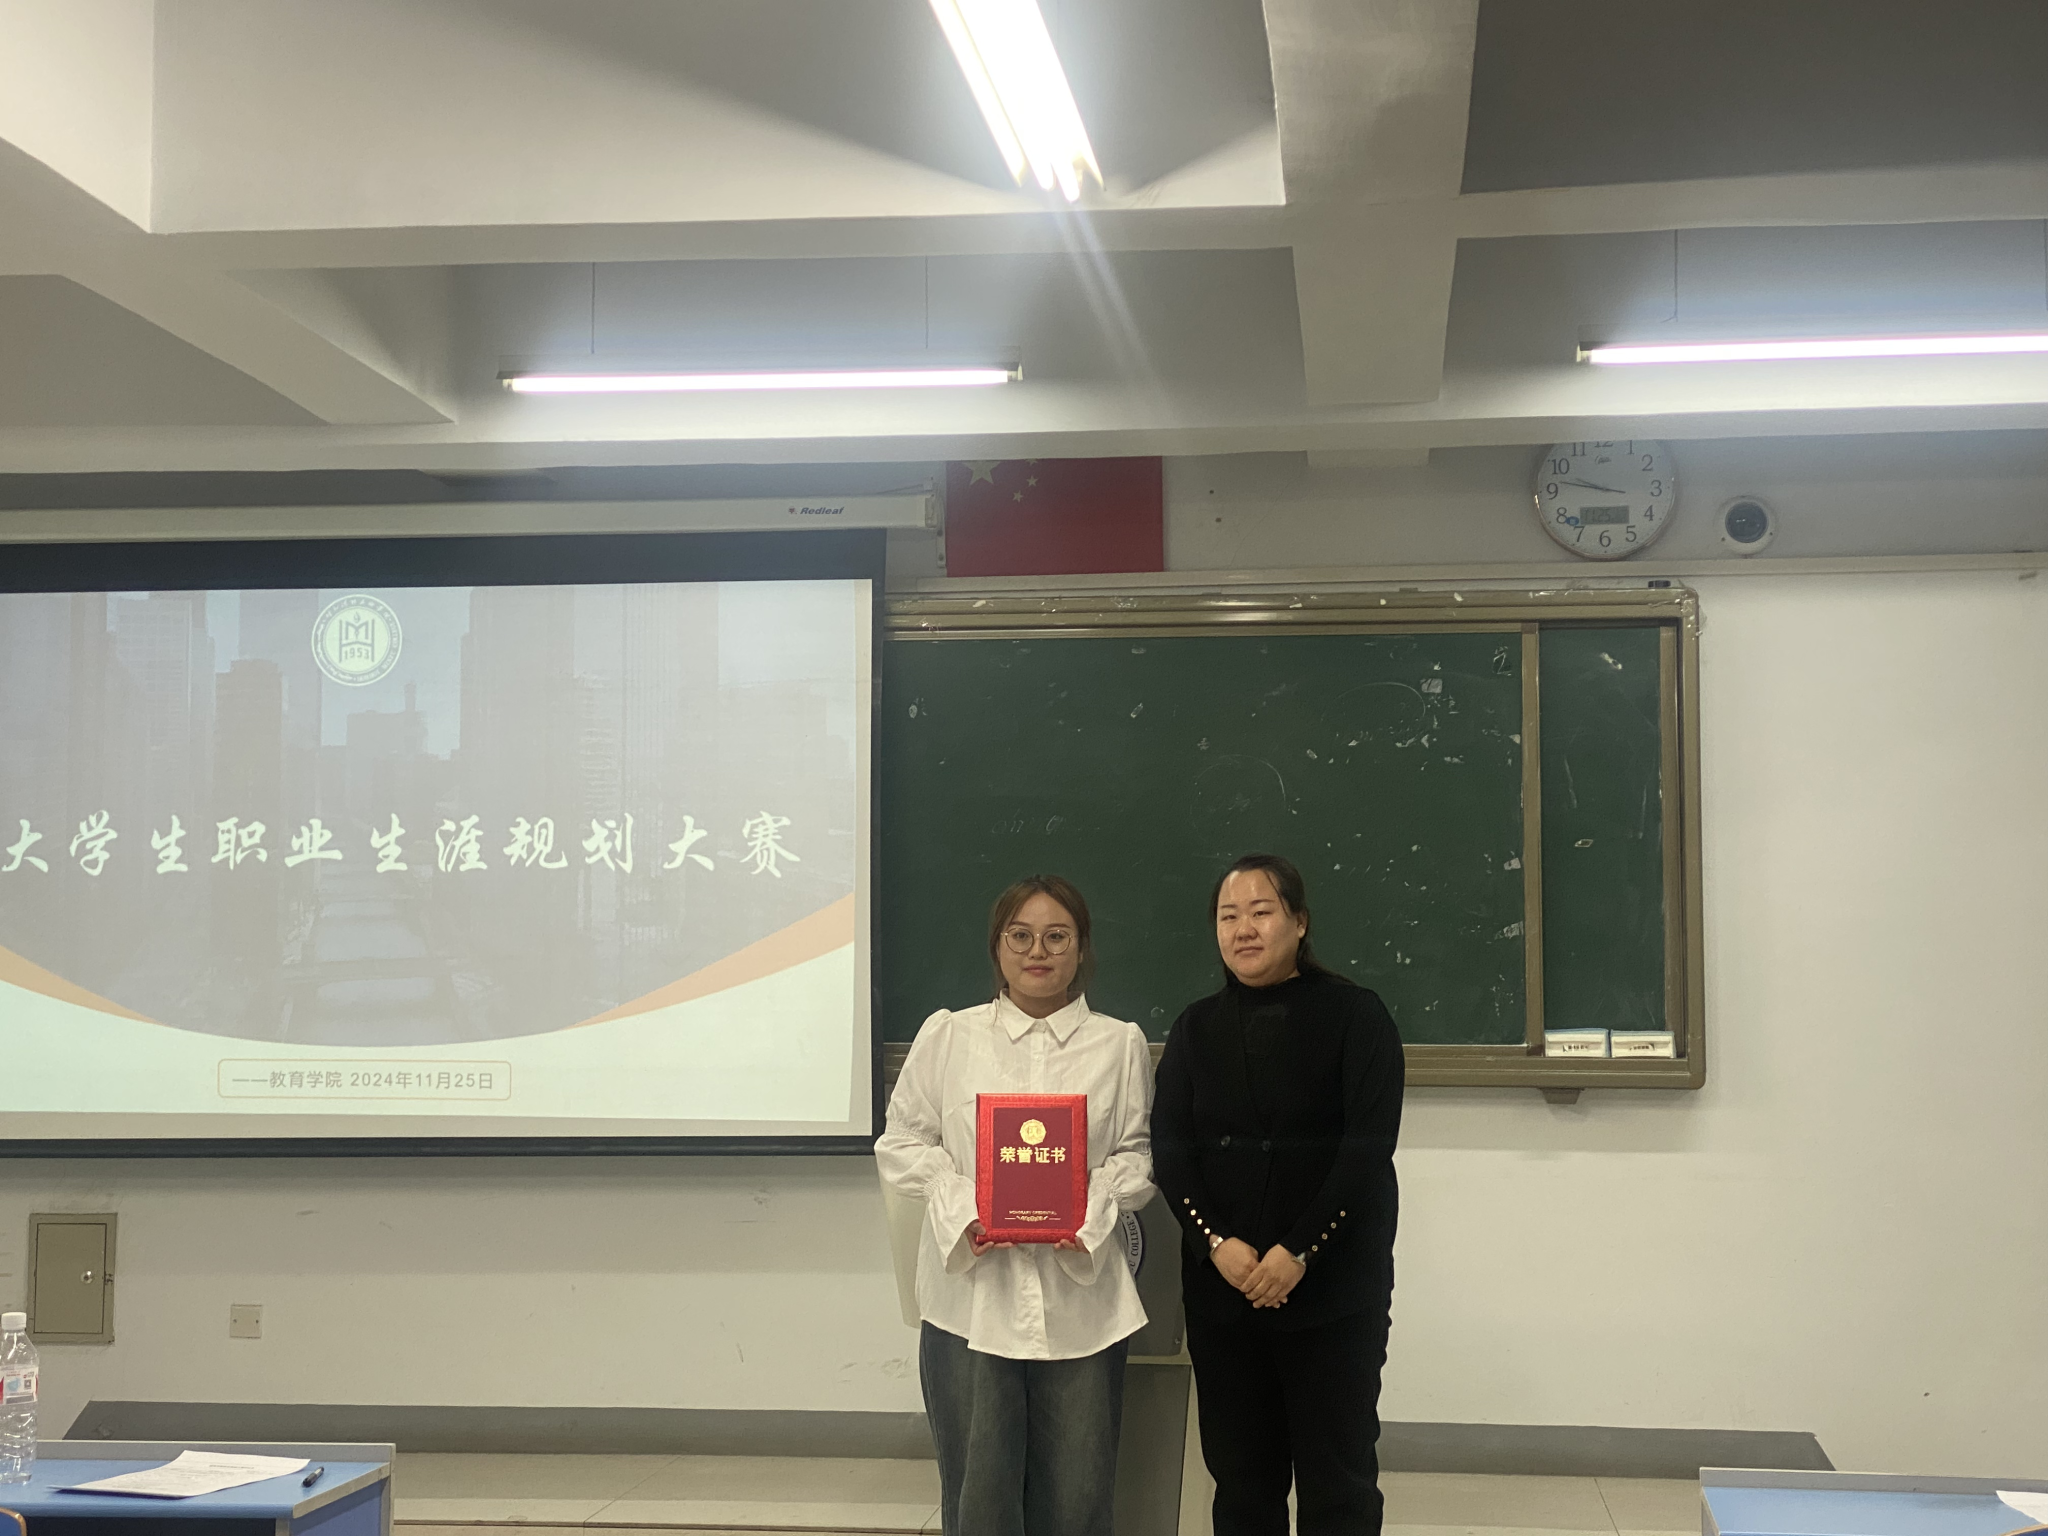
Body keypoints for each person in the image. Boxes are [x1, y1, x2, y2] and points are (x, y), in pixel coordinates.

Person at [876, 874, 1155, 1536]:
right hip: (970, 1300)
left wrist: (1087, 1212)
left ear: (1081, 948)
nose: (1038, 951)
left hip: (1082, 1303)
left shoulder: (1119, 1045)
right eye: (1020, 935)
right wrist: (963, 1206)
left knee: (1078, 1500)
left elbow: (1137, 1157)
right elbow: (901, 1143)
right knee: (980, 1498)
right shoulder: (949, 1036)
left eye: (1057, 936)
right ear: (997, 947)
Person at [1152, 853, 1405, 1536]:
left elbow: (1366, 1149)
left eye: (1261, 912)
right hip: (1225, 1297)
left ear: (1299, 921)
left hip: (1334, 1296)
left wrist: (1298, 1250)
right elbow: (1171, 1150)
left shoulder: (1357, 1016)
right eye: (1228, 916)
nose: (1243, 929)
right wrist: (1215, 1242)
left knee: (1338, 1485)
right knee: (1242, 1486)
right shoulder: (1195, 1029)